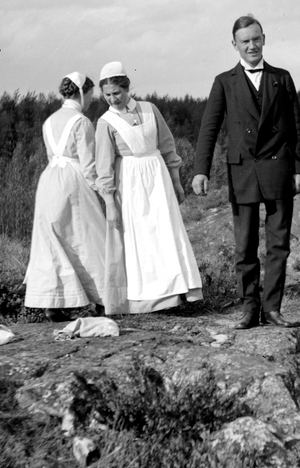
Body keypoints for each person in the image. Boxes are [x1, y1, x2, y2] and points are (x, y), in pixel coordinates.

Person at [192, 15, 300, 330]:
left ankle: (272, 310)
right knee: (244, 247)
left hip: (278, 170)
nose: (252, 46)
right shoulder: (224, 81)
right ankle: (248, 310)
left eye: (256, 39)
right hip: (242, 172)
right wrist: (201, 170)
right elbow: (209, 128)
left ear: (264, 39)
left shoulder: (282, 78)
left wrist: (299, 168)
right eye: (245, 41)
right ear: (235, 45)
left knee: (278, 245)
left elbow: (296, 126)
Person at [93, 61, 203, 314]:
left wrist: (176, 181)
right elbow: (104, 166)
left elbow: (166, 145)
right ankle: (150, 299)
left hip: (158, 177)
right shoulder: (106, 122)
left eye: (117, 93)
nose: (113, 99)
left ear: (127, 88)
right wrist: (110, 202)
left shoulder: (149, 109)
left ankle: (177, 292)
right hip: (130, 185)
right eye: (107, 95)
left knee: (165, 230)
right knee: (140, 237)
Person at [23, 71, 123, 320]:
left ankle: (53, 303)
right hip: (73, 181)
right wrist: (103, 192)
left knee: (53, 240)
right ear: (82, 93)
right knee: (89, 236)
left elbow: (51, 157)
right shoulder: (81, 122)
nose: (90, 101)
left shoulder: (48, 122)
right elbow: (89, 165)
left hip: (49, 181)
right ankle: (105, 300)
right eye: (89, 95)